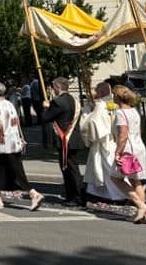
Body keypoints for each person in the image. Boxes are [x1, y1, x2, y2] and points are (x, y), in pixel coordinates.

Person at [0, 80, 43, 210]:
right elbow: (17, 122)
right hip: (14, 142)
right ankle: (0, 198)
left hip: (1, 143)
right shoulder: (9, 104)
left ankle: (2, 199)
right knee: (15, 171)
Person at [107, 85, 146, 223]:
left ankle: (141, 206)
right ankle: (141, 214)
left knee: (115, 177)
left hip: (127, 149)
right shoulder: (134, 111)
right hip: (139, 146)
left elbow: (123, 135)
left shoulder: (121, 113)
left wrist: (117, 152)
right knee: (135, 180)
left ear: (117, 97)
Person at [41, 77, 86, 207]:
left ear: (58, 87)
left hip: (65, 139)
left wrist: (45, 107)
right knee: (72, 168)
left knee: (69, 170)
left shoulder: (57, 102)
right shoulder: (74, 100)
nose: (53, 90)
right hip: (74, 138)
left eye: (53, 87)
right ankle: (73, 195)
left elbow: (46, 118)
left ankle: (76, 196)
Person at [80, 82, 127, 203]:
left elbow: (91, 124)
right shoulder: (116, 103)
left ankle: (118, 195)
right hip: (114, 141)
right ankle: (96, 193)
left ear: (100, 92)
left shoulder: (100, 106)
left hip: (102, 141)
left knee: (106, 169)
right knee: (101, 168)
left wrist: (86, 111)